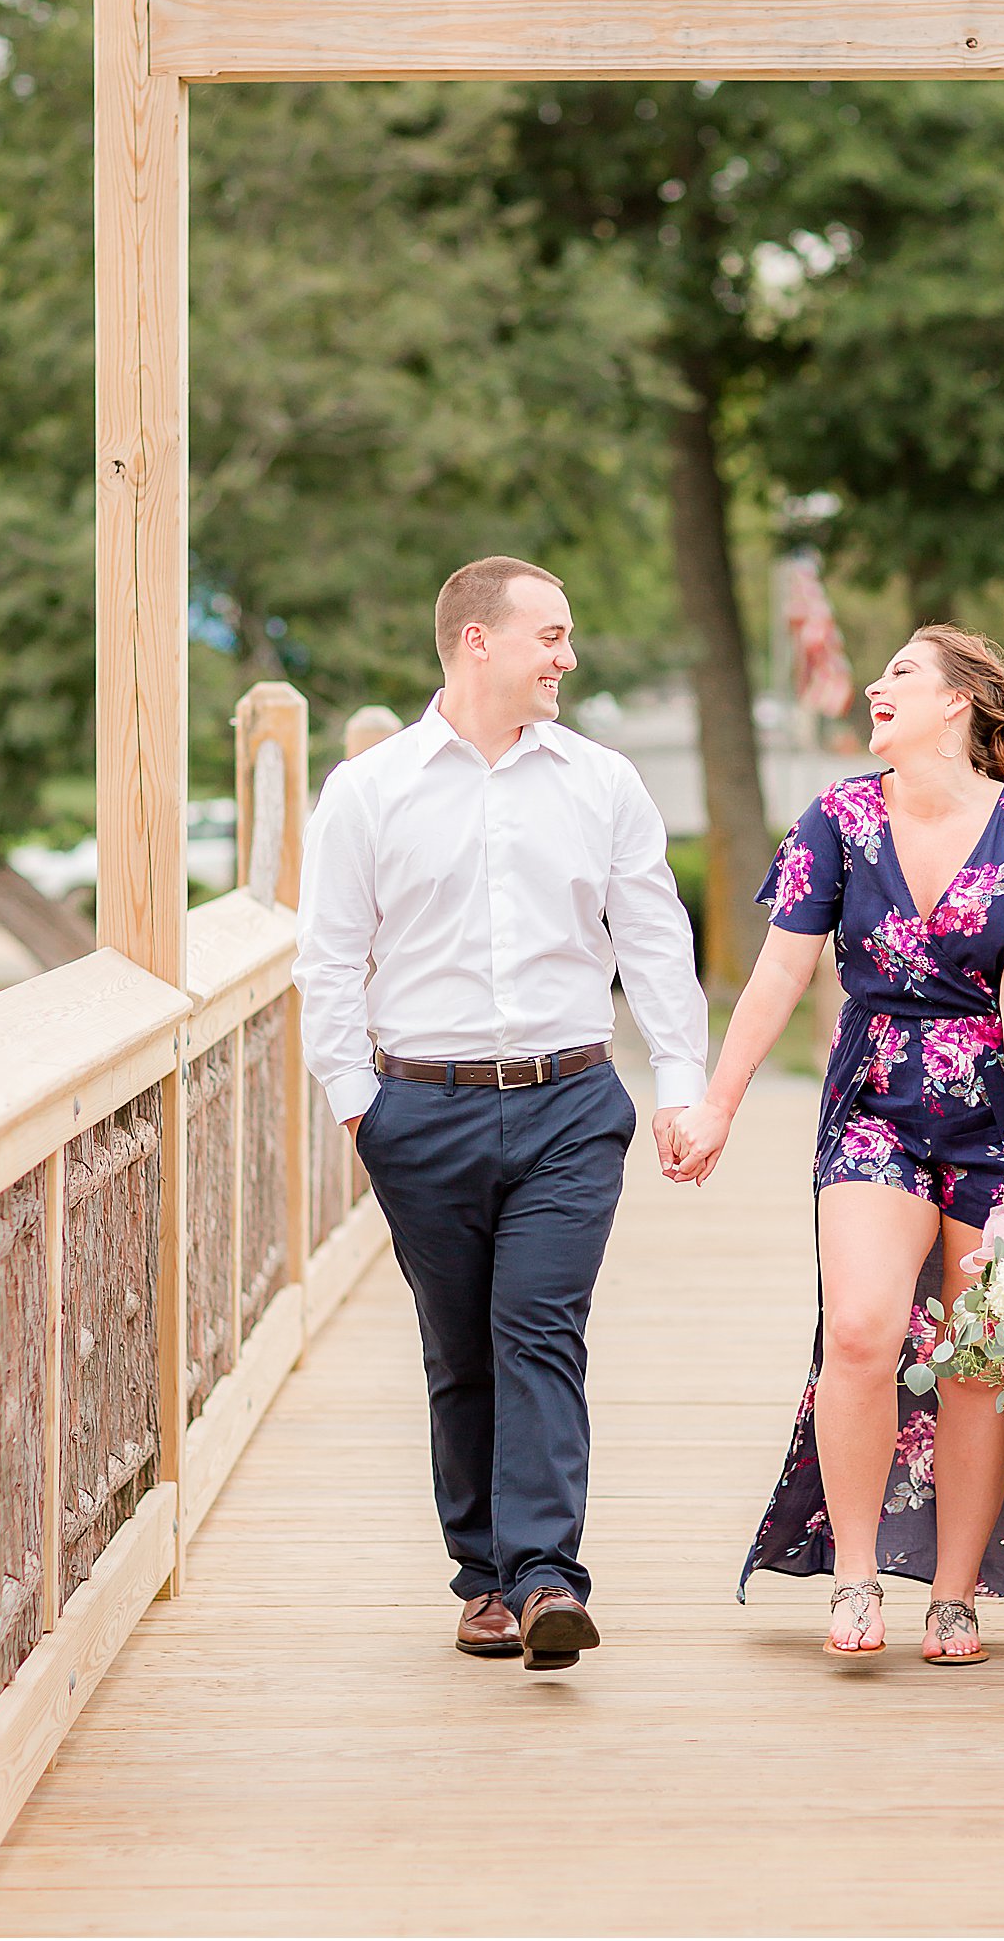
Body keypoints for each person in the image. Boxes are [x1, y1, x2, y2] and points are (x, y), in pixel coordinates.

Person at [669, 625, 1004, 1662]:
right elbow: (778, 974)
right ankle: (855, 1574)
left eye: (901, 672)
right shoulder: (838, 819)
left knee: (975, 1359)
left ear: (957, 703)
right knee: (861, 1328)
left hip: (1003, 1114)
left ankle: (952, 1595)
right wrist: (717, 1104)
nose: (877, 685)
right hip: (873, 1097)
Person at [294, 557, 708, 1671]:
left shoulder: (601, 782)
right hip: (415, 1110)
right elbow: (327, 961)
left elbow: (654, 937)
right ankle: (481, 1576)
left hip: (570, 1100)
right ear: (479, 641)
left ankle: (541, 1581)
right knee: (459, 1348)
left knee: (536, 1327)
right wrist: (356, 1109)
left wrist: (680, 1083)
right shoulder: (369, 791)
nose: (567, 657)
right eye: (551, 636)